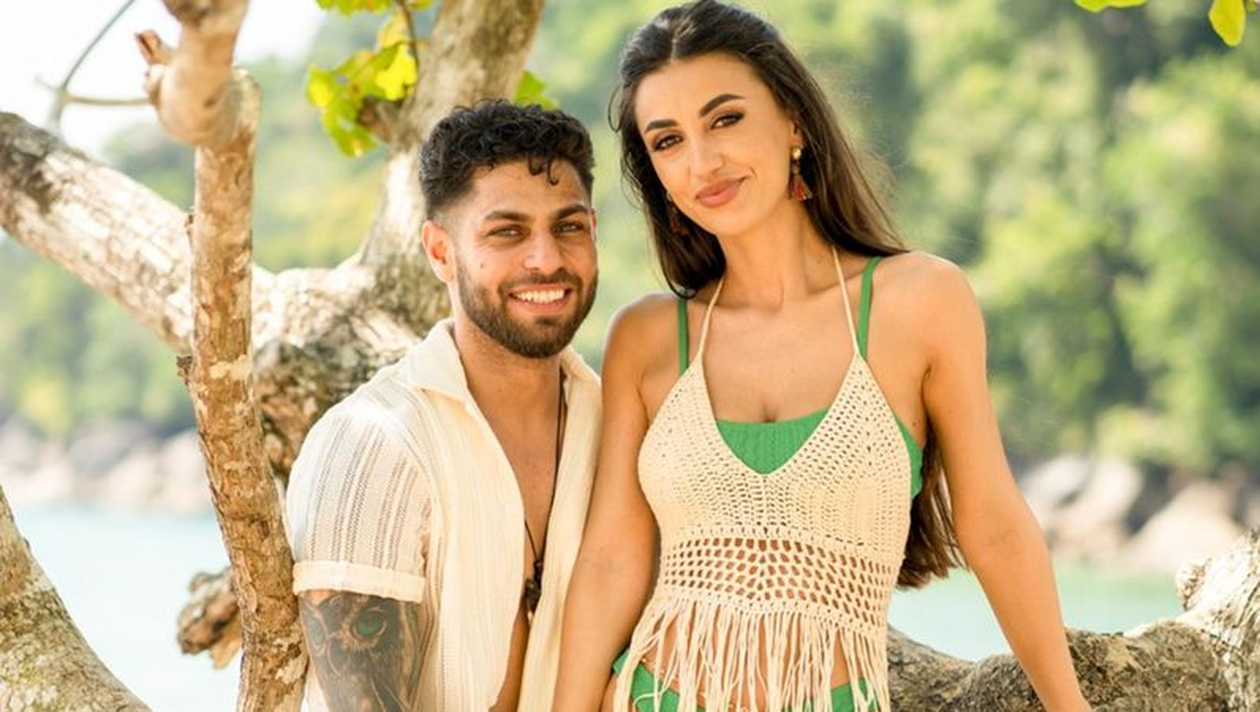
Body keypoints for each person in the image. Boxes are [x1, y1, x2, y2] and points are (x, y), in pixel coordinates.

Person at [554, 2, 1090, 711]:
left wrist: (1069, 705)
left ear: (794, 123)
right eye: (668, 141)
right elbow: (609, 561)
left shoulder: (920, 301)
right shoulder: (647, 336)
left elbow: (993, 525)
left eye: (725, 119)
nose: (702, 162)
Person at [285, 100, 602, 711]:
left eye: (568, 227)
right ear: (439, 252)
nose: (546, 259)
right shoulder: (372, 442)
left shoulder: (618, 427)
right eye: (507, 232)